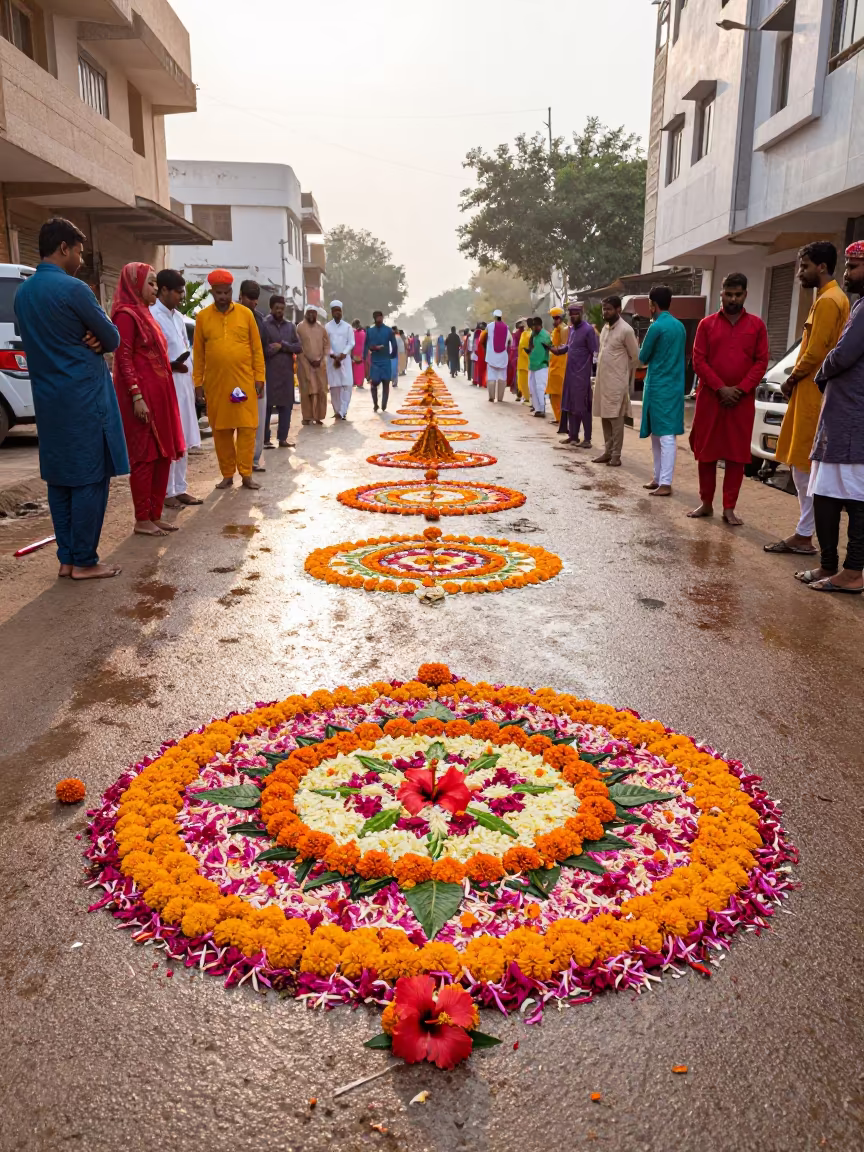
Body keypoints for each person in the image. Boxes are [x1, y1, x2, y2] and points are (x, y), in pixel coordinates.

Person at [13, 217, 126, 579]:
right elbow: (112, 338)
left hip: (47, 400)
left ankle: (67, 558)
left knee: (60, 480)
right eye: (78, 251)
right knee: (91, 479)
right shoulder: (75, 290)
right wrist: (96, 334)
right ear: (64, 248)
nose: (79, 258)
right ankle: (85, 561)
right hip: (84, 399)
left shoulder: (23, 293)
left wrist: (91, 333)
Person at [766, 243, 850, 555]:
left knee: (804, 465)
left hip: (813, 391)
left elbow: (815, 351)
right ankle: (804, 531)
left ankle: (805, 534)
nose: (800, 273)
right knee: (803, 465)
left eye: (804, 266)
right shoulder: (829, 298)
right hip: (812, 390)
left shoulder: (829, 301)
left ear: (822, 267)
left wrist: (791, 378)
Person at [794, 242, 864, 593]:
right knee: (825, 494)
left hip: (852, 422)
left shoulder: (848, 304)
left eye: (854, 267)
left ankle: (852, 573)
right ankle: (829, 565)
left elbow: (840, 353)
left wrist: (820, 373)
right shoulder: (855, 305)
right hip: (841, 417)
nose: (848, 274)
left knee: (853, 500)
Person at [688, 273, 770, 525]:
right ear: (721, 293)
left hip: (741, 402)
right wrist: (720, 388)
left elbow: (761, 361)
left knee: (737, 456)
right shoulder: (706, 324)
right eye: (728, 294)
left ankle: (729, 507)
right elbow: (698, 360)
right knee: (706, 452)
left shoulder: (757, 326)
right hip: (711, 399)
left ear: (745, 294)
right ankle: (706, 503)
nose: (733, 299)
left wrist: (741, 388)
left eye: (738, 294)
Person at [111, 262, 185, 537]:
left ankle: (155, 514)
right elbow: (124, 357)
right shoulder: (126, 315)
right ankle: (142, 518)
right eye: (150, 283)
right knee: (145, 456)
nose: (155, 288)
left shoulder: (146, 314)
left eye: (156, 283)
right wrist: (136, 396)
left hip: (161, 396)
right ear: (134, 284)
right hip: (141, 399)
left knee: (163, 454)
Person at [193, 269, 265, 489]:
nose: (223, 297)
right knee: (221, 430)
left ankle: (246, 474)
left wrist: (259, 376)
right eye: (218, 293)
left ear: (232, 291)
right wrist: (198, 383)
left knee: (247, 428)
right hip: (216, 385)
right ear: (212, 292)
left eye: (226, 292)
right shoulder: (203, 317)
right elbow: (199, 354)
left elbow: (256, 349)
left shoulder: (246, 314)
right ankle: (227, 474)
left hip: (243, 381)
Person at [150, 269, 202, 509]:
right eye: (178, 292)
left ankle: (180, 487)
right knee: (170, 437)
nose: (182, 296)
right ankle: (167, 491)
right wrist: (170, 365)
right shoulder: (152, 315)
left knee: (182, 437)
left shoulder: (178, 317)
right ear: (163, 290)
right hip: (166, 383)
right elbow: (150, 355)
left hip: (183, 384)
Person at [639, 285, 687, 496]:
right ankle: (658, 478)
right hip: (674, 385)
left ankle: (665, 482)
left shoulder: (656, 327)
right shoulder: (680, 327)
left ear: (652, 304)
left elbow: (643, 357)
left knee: (664, 436)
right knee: (659, 435)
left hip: (658, 386)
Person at [592, 296, 639, 467]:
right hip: (602, 380)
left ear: (618, 310)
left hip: (617, 383)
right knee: (605, 416)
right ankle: (607, 451)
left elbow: (636, 357)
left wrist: (623, 373)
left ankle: (616, 455)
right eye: (604, 309)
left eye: (609, 309)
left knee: (616, 419)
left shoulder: (626, 330)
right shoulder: (604, 329)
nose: (605, 312)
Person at [262, 294, 301, 447]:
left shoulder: (290, 326)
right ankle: (265, 439)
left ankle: (283, 438)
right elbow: (261, 349)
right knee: (266, 407)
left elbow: (298, 347)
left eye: (282, 308)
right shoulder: (264, 325)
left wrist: (282, 345)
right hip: (269, 372)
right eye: (277, 308)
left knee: (286, 406)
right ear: (271, 308)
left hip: (286, 373)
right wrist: (273, 349)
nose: (279, 311)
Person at [557, 302, 599, 445]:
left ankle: (587, 439)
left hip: (582, 375)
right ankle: (573, 435)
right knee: (569, 404)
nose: (573, 316)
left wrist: (593, 372)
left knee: (583, 406)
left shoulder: (588, 330)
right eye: (571, 314)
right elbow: (570, 346)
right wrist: (557, 350)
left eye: (576, 313)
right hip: (570, 373)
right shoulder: (572, 330)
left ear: (581, 314)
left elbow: (594, 351)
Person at [238, 280, 269, 474]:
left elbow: (263, 350)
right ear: (240, 295)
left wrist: (260, 378)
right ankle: (237, 462)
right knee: (238, 421)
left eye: (256, 298)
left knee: (257, 419)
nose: (254, 302)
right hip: (235, 378)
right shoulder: (229, 316)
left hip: (256, 377)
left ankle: (253, 460)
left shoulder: (259, 319)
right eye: (250, 297)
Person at [296, 305, 330, 425]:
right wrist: (308, 360)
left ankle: (318, 416)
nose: (312, 315)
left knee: (320, 390)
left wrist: (321, 359)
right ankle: (307, 417)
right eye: (309, 313)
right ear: (305, 314)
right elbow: (298, 346)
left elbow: (326, 344)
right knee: (306, 391)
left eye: (314, 313)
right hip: (304, 364)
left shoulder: (321, 328)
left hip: (319, 365)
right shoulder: (300, 327)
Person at [324, 300, 355, 421]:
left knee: (346, 385)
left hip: (345, 359)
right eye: (335, 310)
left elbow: (351, 342)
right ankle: (337, 410)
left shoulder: (347, 327)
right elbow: (326, 343)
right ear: (331, 312)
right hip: (332, 361)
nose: (338, 313)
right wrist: (332, 355)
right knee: (334, 386)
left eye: (339, 310)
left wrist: (343, 354)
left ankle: (343, 410)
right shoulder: (327, 327)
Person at [366, 310, 398, 411]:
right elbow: (367, 346)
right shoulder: (370, 331)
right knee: (373, 383)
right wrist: (374, 348)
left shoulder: (389, 331)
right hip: (375, 361)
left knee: (386, 383)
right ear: (374, 318)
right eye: (377, 317)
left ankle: (384, 404)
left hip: (385, 360)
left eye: (381, 317)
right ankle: (375, 404)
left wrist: (391, 355)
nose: (379, 319)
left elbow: (394, 345)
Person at [526, 317, 552, 416]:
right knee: (532, 387)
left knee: (540, 387)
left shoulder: (545, 336)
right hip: (532, 365)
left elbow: (550, 348)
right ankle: (537, 409)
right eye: (532, 326)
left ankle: (542, 409)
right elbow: (531, 345)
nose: (533, 328)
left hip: (542, 365)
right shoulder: (533, 334)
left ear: (540, 325)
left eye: (535, 326)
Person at [545, 307, 567, 422]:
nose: (554, 320)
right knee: (553, 394)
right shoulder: (556, 329)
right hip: (554, 364)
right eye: (553, 318)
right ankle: (558, 417)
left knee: (559, 394)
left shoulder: (563, 329)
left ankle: (562, 418)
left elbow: (563, 347)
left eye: (555, 318)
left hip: (560, 365)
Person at [485, 309, 512, 402]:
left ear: (494, 317)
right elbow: (510, 341)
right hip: (503, 357)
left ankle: (491, 396)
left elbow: (483, 338)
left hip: (491, 356)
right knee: (502, 377)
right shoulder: (506, 328)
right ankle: (500, 398)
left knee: (491, 376)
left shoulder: (489, 326)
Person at [517, 319, 531, 404]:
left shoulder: (526, 334)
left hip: (524, 360)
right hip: (528, 360)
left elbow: (522, 347)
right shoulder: (530, 333)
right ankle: (526, 397)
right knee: (527, 381)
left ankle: (527, 398)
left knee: (524, 381)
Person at [351, 319, 367, 388]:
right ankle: (360, 383)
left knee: (354, 367)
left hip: (354, 351)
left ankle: (354, 382)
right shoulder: (363, 333)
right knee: (360, 367)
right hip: (361, 352)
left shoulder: (353, 333)